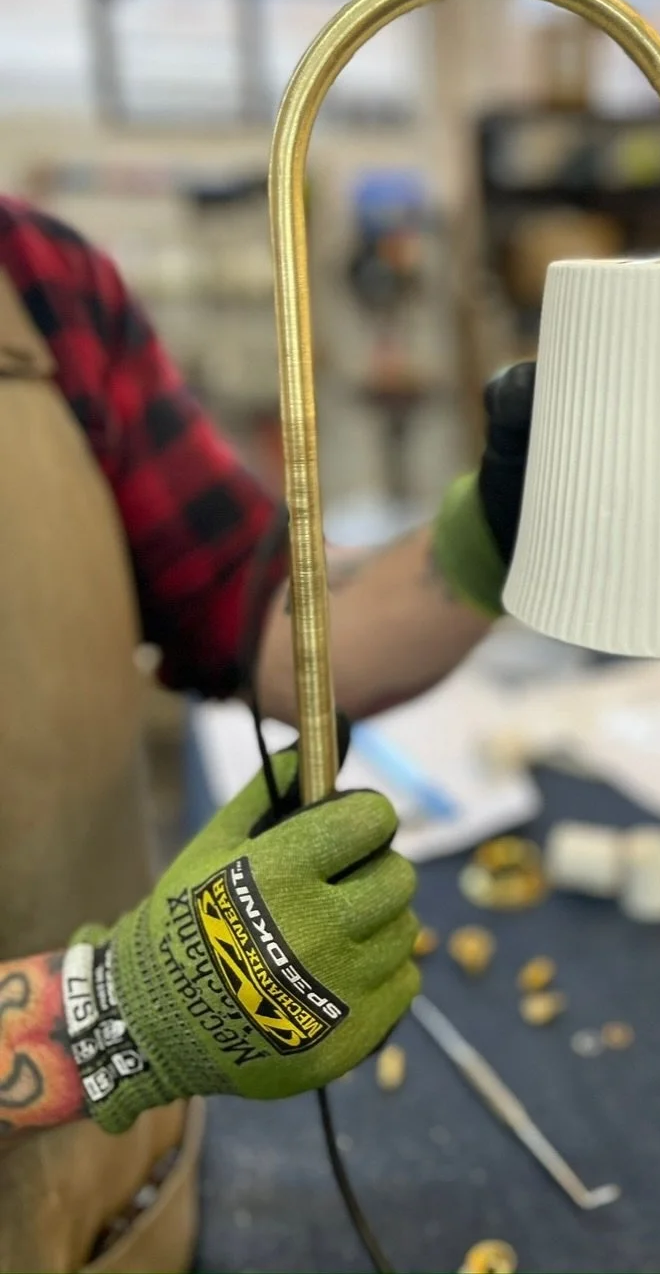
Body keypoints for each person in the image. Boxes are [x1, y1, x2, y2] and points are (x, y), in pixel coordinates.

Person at [0, 196, 536, 1273]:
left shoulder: (42, 287)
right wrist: (116, 1015)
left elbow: (284, 621)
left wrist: (503, 523)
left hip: (123, 1206)